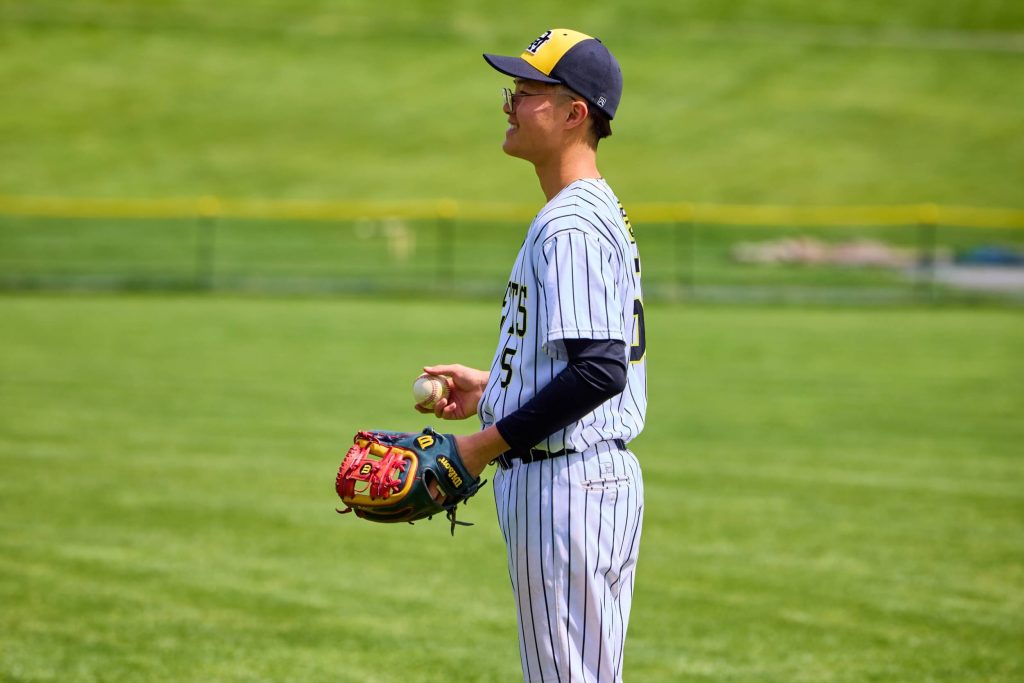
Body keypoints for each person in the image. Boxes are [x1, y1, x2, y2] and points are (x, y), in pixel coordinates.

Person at [416, 28, 647, 683]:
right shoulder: (597, 210)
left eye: (527, 92)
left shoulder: (567, 224)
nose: (509, 104)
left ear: (577, 114)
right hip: (590, 479)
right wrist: (499, 385)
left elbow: (601, 369)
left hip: (563, 485)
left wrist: (480, 444)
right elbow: (588, 358)